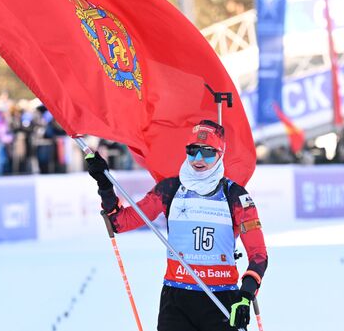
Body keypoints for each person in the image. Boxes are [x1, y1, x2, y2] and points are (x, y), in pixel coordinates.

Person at [86, 120, 267, 331]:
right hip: (177, 300)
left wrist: (245, 294)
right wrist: (104, 183)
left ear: (220, 154)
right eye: (192, 151)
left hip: (221, 298)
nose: (198, 159)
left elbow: (258, 255)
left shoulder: (235, 196)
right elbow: (120, 222)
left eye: (207, 152)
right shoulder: (169, 189)